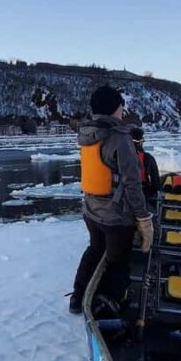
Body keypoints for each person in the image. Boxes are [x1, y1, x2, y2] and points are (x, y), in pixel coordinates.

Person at [70, 86, 154, 315]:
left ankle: (78, 297)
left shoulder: (86, 134)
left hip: (91, 211)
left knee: (95, 250)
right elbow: (132, 184)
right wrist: (143, 219)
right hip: (116, 217)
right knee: (118, 261)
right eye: (121, 107)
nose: (122, 111)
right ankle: (109, 305)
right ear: (115, 109)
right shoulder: (120, 138)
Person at [130, 127, 161, 203]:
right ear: (140, 143)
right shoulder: (147, 157)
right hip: (142, 192)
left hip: (123, 192)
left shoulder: (119, 156)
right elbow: (155, 180)